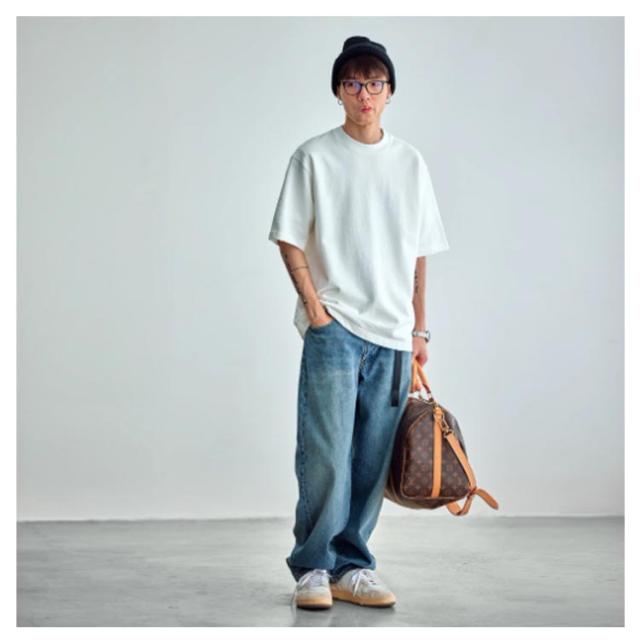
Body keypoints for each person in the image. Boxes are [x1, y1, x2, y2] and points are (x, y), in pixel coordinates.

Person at [268, 35, 450, 610]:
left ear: (390, 92)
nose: (364, 94)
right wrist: (316, 311)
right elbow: (289, 237)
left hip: (394, 333)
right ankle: (313, 567)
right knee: (325, 453)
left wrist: (419, 330)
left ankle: (352, 565)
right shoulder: (313, 157)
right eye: (353, 83)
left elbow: (419, 251)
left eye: (375, 83)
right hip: (337, 328)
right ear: (339, 92)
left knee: (372, 460)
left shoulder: (409, 162)